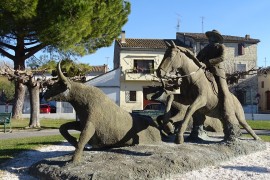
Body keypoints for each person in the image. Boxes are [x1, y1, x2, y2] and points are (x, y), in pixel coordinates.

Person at [196, 29, 241, 140]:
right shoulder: (206, 48)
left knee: (223, 91)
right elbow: (198, 57)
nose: (210, 38)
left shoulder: (221, 47)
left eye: (213, 37)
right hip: (205, 71)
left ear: (216, 38)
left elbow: (222, 58)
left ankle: (227, 109)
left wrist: (207, 62)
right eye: (210, 36)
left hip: (217, 72)